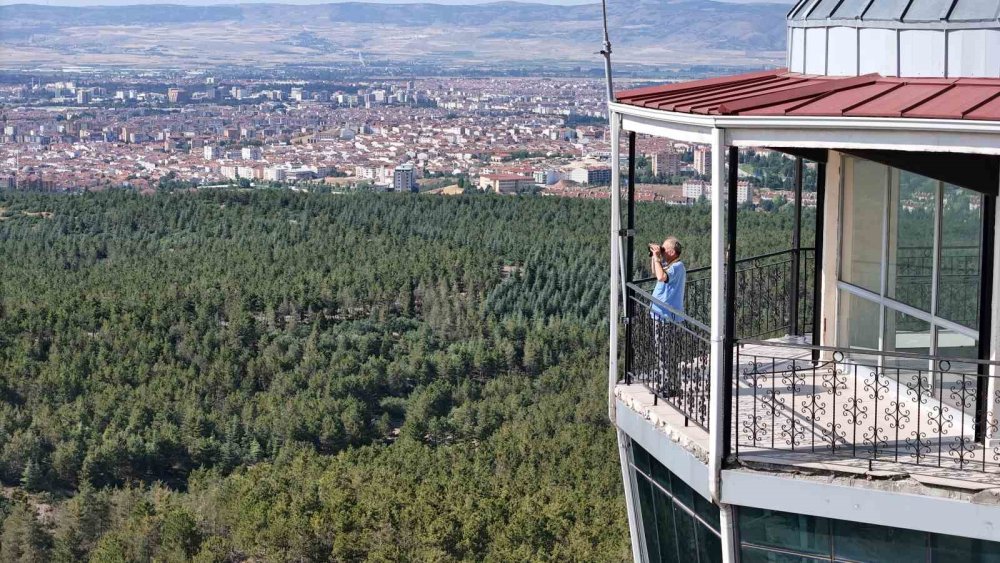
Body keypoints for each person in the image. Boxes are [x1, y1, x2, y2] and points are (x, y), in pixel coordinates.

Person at [648, 237, 686, 322]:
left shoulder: (677, 266)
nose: (662, 251)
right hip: (661, 312)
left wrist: (657, 258)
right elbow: (655, 272)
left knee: (663, 335)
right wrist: (654, 256)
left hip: (667, 315)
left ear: (672, 252)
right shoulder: (669, 263)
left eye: (663, 249)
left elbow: (661, 277)